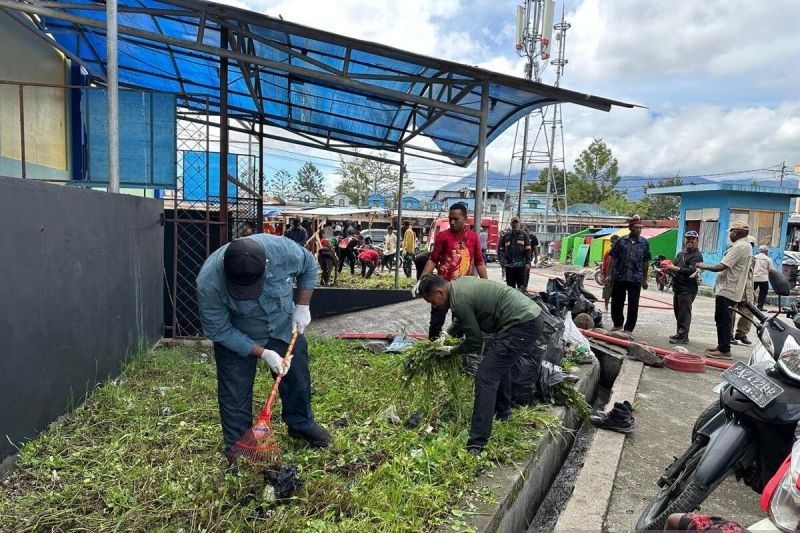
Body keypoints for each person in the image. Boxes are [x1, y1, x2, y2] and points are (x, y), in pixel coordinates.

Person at [196, 236, 330, 461]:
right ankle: (238, 447)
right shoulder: (209, 282)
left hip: (282, 325)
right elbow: (218, 330)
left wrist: (303, 305)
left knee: (297, 376)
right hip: (238, 335)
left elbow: (309, 265)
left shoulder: (283, 251)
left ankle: (300, 423)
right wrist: (263, 353)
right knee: (234, 393)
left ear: (266, 265)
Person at [418, 274, 544, 454]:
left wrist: (452, 351)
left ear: (440, 292)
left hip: (522, 324)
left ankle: (477, 443)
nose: (434, 306)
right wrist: (446, 335)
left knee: (485, 377)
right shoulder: (458, 286)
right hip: (526, 318)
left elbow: (475, 342)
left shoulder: (459, 300)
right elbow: (461, 320)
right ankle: (503, 412)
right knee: (498, 363)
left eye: (432, 301)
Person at [418, 202, 488, 339]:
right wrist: (422, 279)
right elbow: (433, 259)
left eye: (456, 219)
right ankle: (432, 350)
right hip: (442, 288)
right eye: (450, 219)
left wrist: (486, 285)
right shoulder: (443, 236)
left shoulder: (474, 238)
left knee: (460, 325)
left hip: (463, 291)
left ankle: (455, 353)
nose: (453, 222)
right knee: (436, 324)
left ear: (465, 219)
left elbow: (479, 262)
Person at [697, 221, 753, 360]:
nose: (730, 234)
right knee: (722, 318)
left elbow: (721, 266)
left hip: (728, 289)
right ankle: (722, 345)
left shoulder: (740, 247)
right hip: (729, 288)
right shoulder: (743, 246)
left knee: (723, 319)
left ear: (736, 232)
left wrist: (703, 265)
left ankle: (725, 349)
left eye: (731, 232)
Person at [609, 217, 651, 334]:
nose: (639, 230)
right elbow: (613, 259)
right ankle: (617, 324)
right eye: (636, 228)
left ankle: (628, 329)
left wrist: (644, 279)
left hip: (635, 279)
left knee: (633, 305)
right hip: (620, 277)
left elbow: (645, 261)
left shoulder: (644, 243)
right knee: (617, 303)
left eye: (640, 228)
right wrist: (609, 275)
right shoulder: (621, 241)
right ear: (630, 228)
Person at [663, 230, 703, 345]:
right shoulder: (681, 254)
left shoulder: (697, 255)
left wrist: (674, 269)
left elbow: (691, 270)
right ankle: (680, 333)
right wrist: (667, 270)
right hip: (678, 287)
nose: (690, 241)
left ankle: (683, 336)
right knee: (678, 311)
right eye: (688, 238)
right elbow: (674, 266)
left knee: (684, 313)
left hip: (688, 288)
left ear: (696, 241)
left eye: (692, 239)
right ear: (685, 240)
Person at [732, 236, 757, 346]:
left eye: (752, 245)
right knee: (731, 312)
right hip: (735, 288)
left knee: (749, 312)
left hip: (747, 289)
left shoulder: (753, 259)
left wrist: (753, 292)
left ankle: (741, 333)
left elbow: (751, 275)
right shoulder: (735, 253)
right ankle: (728, 335)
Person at [502, 218, 531, 290]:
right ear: (511, 224)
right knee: (510, 289)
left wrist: (528, 262)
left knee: (522, 288)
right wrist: (502, 262)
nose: (515, 224)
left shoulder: (524, 235)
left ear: (519, 224)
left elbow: (528, 250)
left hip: (521, 267)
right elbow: (501, 250)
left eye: (516, 223)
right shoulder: (506, 236)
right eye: (513, 223)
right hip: (509, 266)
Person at [601, 234, 620, 312]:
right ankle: (606, 307)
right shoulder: (608, 252)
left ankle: (615, 308)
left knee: (617, 293)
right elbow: (604, 264)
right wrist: (604, 275)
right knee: (607, 292)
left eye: (615, 242)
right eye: (612, 242)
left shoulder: (621, 253)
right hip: (609, 276)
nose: (613, 244)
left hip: (618, 276)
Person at [753, 245, 772, 310]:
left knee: (751, 291)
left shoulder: (754, 257)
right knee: (763, 292)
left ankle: (749, 304)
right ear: (766, 251)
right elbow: (771, 270)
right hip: (764, 279)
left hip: (754, 277)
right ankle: (760, 306)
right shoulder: (768, 259)